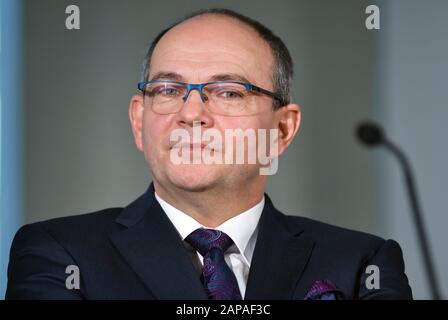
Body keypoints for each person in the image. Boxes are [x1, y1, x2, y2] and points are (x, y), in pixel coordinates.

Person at [6, 8, 412, 300]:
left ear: (282, 129)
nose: (191, 113)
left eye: (229, 92)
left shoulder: (361, 263)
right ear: (138, 121)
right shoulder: (59, 253)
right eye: (167, 90)